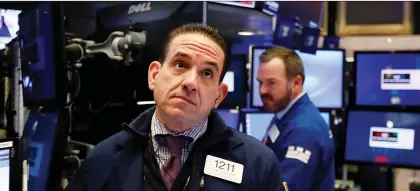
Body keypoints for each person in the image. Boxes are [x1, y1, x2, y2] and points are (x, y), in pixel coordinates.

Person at [65, 23, 287, 191]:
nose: (190, 82)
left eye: (207, 73)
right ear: (154, 75)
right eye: (180, 65)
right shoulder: (102, 161)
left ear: (218, 96)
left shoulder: (259, 166)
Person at [257, 46, 335, 191]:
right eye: (260, 82)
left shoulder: (304, 130)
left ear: (297, 82)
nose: (262, 90)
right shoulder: (285, 113)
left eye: (271, 83)